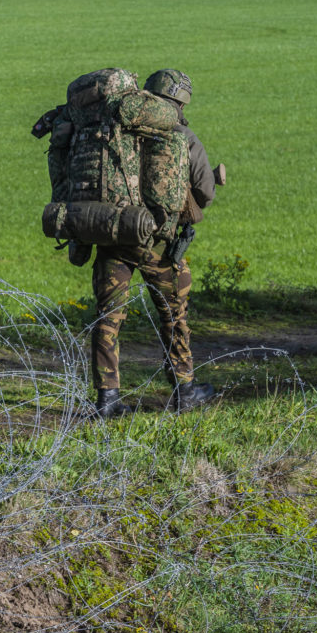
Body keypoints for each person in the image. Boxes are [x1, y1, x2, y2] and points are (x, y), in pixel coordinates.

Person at [89, 70, 216, 418]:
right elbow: (204, 192)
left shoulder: (112, 128)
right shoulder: (182, 134)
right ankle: (184, 389)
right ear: (179, 101)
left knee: (108, 316)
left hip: (113, 230)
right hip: (155, 241)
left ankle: (107, 398)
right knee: (174, 314)